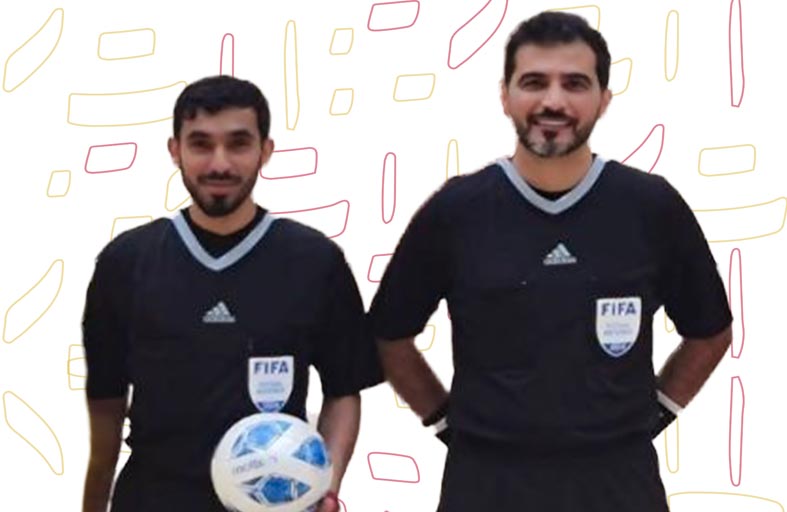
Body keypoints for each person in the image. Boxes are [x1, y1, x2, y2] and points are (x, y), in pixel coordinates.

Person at [368, 11, 732, 512]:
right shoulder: (456, 210)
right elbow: (388, 334)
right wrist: (446, 422)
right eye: (534, 82)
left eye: (575, 84)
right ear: (505, 96)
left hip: (619, 482)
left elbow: (710, 332)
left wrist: (657, 413)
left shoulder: (651, 206)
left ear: (604, 99)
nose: (553, 101)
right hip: (487, 483)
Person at [81, 75, 383, 512]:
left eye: (238, 144)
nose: (219, 164)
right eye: (201, 144)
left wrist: (324, 487)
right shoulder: (126, 262)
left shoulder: (315, 260)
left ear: (266, 150)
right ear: (175, 151)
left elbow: (343, 390)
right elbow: (106, 404)